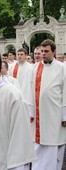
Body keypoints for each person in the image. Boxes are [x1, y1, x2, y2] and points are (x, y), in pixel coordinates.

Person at [28, 39, 66, 170]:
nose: (43, 54)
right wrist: (30, 111)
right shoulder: (35, 68)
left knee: (53, 145)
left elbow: (65, 91)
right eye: (42, 51)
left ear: (54, 51)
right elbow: (29, 90)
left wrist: (64, 115)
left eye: (46, 51)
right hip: (38, 114)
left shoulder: (62, 68)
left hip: (55, 114)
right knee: (37, 144)